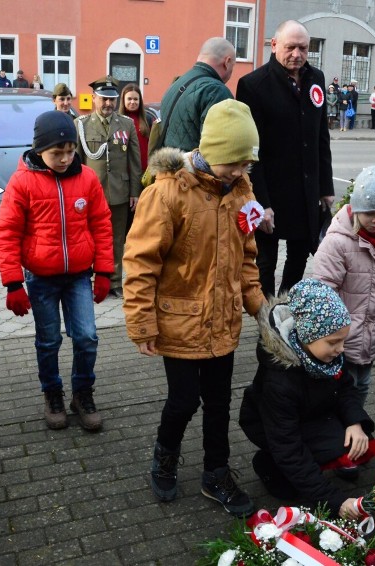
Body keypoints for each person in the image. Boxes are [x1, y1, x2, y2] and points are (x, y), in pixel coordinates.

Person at [123, 99, 265, 517]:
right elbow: (140, 262)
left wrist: (259, 307)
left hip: (223, 322)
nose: (239, 172)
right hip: (180, 324)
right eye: (233, 163)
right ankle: (165, 456)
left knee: (220, 401)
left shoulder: (243, 193)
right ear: (213, 151)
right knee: (184, 400)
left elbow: (248, 258)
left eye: (245, 163)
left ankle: (215, 473)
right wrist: (142, 324)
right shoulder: (167, 193)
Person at [0, 110, 114, 431]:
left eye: (70, 151)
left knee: (87, 337)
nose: (64, 158)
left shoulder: (86, 178)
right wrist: (13, 283)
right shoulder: (22, 182)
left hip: (78, 276)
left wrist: (104, 271)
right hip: (41, 278)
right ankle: (53, 393)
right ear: (38, 150)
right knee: (48, 341)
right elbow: (6, 233)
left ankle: (82, 392)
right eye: (56, 153)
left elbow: (102, 224)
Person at [239, 279, 375, 520]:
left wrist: (355, 422)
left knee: (352, 440)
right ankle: (267, 463)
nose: (341, 349)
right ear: (307, 334)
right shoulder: (279, 382)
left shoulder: (324, 354)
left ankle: (320, 458)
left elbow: (346, 388)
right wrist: (335, 501)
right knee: (288, 488)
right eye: (333, 342)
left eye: (343, 340)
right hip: (271, 427)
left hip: (310, 412)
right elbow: (288, 446)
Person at [237, 19, 335, 298]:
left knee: (300, 256)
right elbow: (252, 153)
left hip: (306, 191)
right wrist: (262, 203)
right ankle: (266, 319)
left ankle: (287, 306)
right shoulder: (253, 85)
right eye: (291, 47)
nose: (297, 54)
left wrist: (326, 187)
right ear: (274, 45)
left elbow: (321, 136)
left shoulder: (316, 78)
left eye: (303, 48)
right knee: (266, 261)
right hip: (272, 191)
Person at [312, 166, 375, 405]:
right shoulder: (337, 243)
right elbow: (324, 292)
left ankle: (358, 425)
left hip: (373, 332)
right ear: (355, 209)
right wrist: (330, 335)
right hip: (342, 338)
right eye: (370, 213)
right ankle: (342, 429)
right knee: (342, 389)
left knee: (362, 385)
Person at [75, 75, 142, 298]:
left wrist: (135, 192)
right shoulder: (81, 125)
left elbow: (135, 161)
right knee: (88, 238)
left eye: (112, 99)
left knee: (116, 240)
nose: (108, 104)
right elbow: (77, 163)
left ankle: (114, 282)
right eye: (103, 99)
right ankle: (90, 280)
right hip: (91, 195)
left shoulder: (127, 124)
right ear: (94, 98)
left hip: (119, 193)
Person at [154, 37, 235, 156]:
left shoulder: (177, 83)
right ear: (227, 62)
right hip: (194, 172)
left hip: (169, 169)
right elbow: (218, 151)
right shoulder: (216, 91)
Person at [119, 83, 152, 172]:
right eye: (129, 99)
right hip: (124, 170)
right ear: (123, 100)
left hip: (144, 170)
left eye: (136, 99)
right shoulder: (116, 119)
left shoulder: (148, 119)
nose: (132, 102)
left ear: (140, 101)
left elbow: (152, 145)